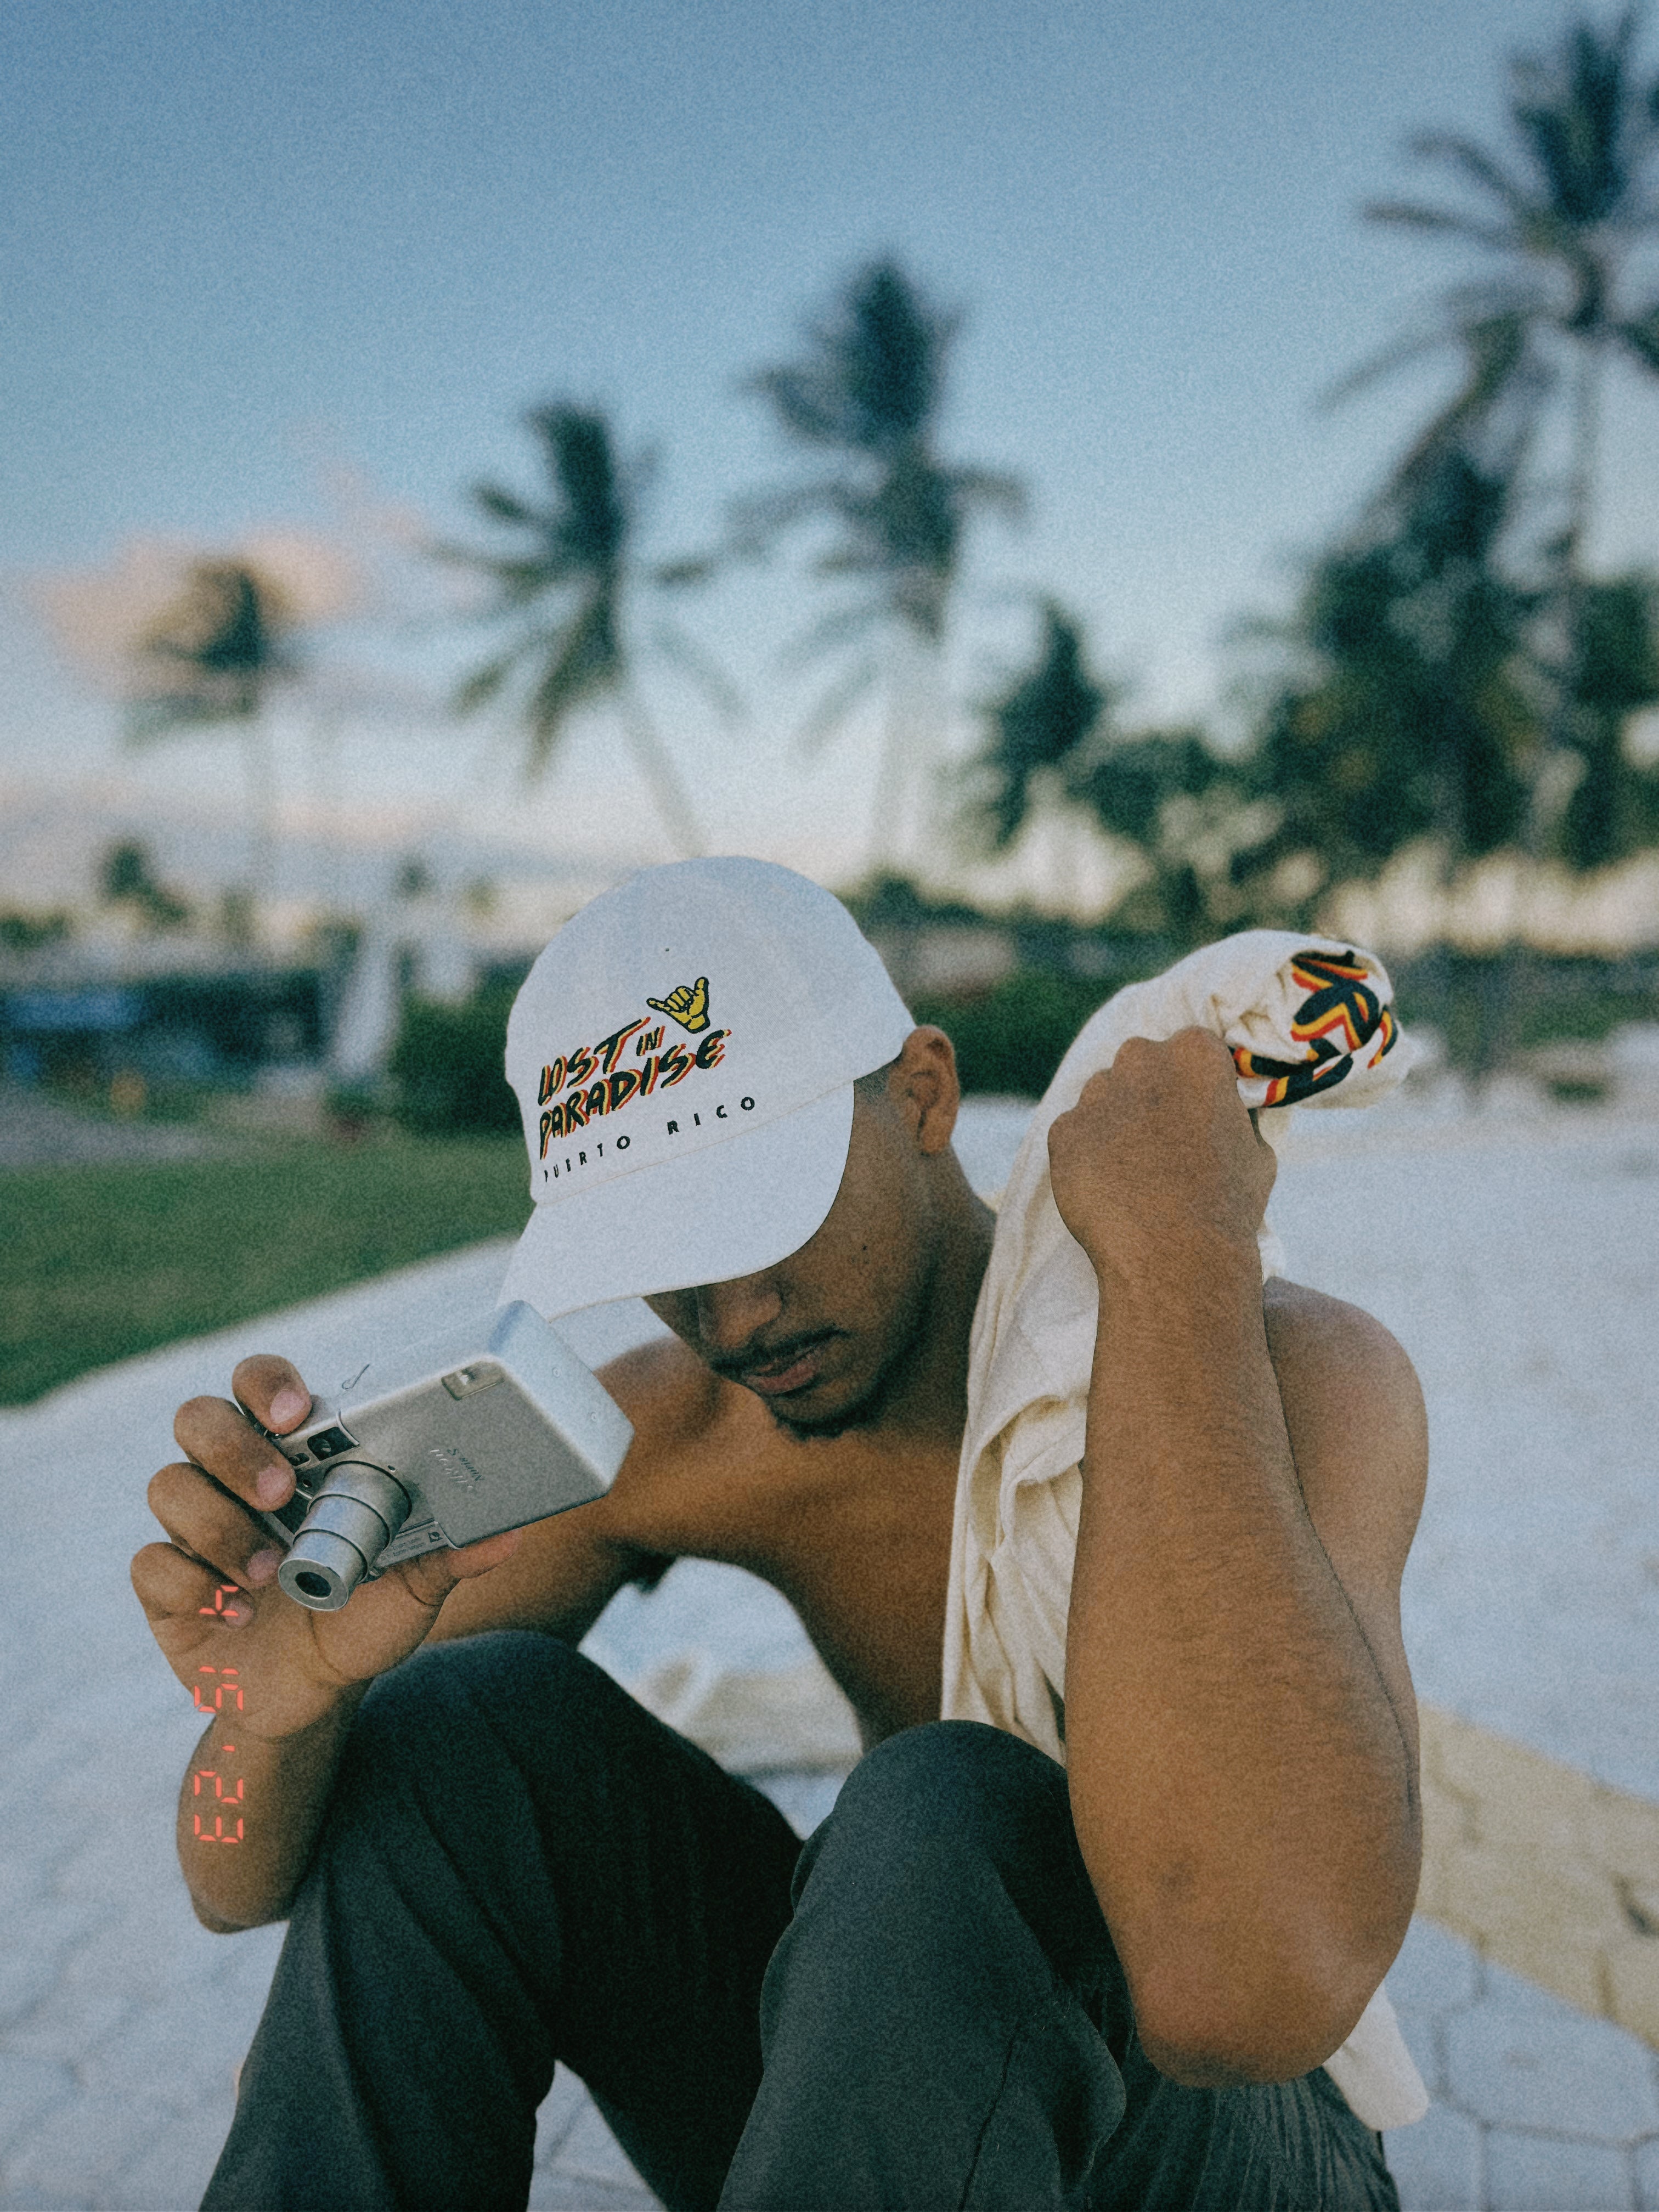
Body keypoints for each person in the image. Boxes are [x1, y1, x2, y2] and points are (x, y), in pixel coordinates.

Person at [134, 857, 1426, 2211]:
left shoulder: (1289, 1373)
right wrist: (269, 1707)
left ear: (923, 1094)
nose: (735, 1317)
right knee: (458, 1723)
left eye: (771, 1220)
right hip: (897, 2121)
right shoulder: (677, 1433)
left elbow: (1242, 1999)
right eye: (667, 1255)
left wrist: (1177, 1260)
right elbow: (237, 1884)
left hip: (1233, 2144)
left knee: (942, 1816)